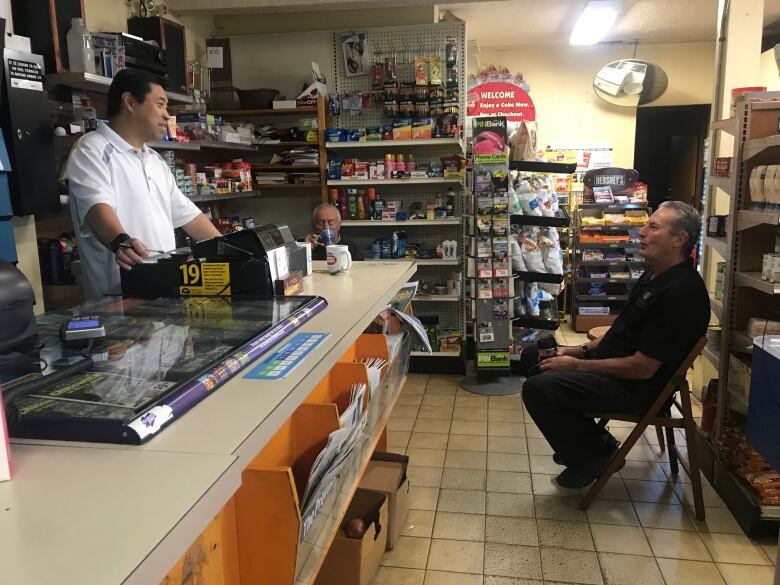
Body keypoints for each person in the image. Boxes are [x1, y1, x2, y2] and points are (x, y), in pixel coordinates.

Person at [516, 201, 710, 489]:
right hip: (615, 369)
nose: (642, 232)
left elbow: (642, 368)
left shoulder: (680, 294)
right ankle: (585, 441)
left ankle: (595, 454)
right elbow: (621, 328)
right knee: (533, 355)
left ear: (678, 240)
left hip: (636, 388)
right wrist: (579, 351)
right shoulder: (653, 275)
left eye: (653, 227)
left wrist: (577, 366)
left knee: (539, 388)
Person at [68, 68, 221, 299]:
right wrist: (121, 241)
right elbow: (96, 207)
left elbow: (188, 215)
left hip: (164, 295)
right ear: (130, 102)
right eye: (160, 104)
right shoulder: (91, 149)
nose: (167, 115)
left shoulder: (154, 160)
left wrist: (231, 250)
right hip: (119, 303)